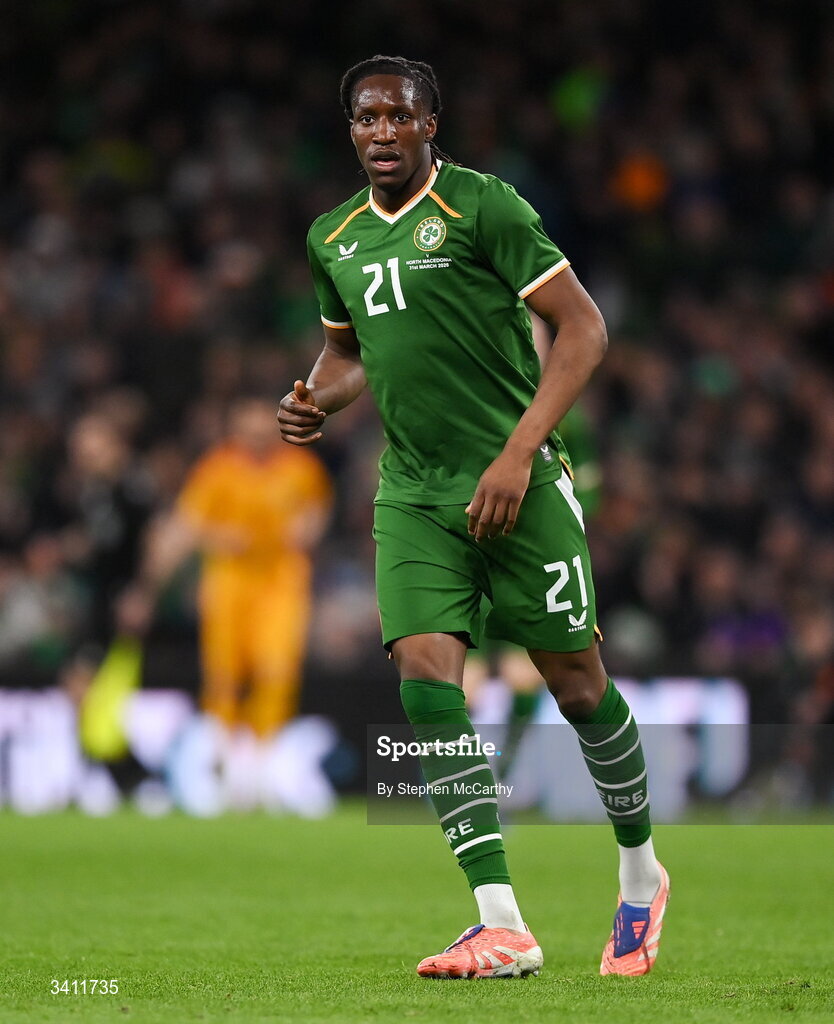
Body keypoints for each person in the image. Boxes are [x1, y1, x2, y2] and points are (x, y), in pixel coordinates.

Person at [279, 55, 668, 979]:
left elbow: (586, 330)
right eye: (365, 119)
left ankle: (643, 874)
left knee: (578, 688)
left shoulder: (484, 207)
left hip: (518, 482)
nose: (381, 132)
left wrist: (519, 451)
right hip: (414, 492)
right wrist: (313, 400)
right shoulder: (332, 236)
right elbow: (350, 355)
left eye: (397, 117)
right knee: (423, 672)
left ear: (429, 124)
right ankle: (502, 921)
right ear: (352, 132)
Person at [138, 394, 332, 740]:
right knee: (223, 673)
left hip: (281, 581)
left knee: (276, 669)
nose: (256, 434)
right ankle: (221, 751)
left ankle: (267, 750)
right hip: (229, 581)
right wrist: (217, 538)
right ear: (235, 427)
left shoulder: (300, 467)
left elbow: (317, 513)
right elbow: (188, 524)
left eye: (263, 425)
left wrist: (308, 529)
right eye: (248, 426)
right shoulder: (217, 468)